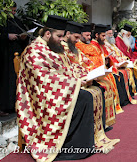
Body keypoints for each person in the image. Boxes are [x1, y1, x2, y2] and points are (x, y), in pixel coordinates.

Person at [16, 16, 119, 161]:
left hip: (59, 90)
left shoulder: (51, 48)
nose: (61, 39)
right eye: (59, 36)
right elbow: (44, 79)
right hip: (43, 98)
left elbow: (68, 68)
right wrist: (76, 83)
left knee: (96, 91)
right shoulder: (33, 51)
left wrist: (84, 76)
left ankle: (88, 142)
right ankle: (73, 147)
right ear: (47, 34)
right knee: (85, 98)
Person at [0, 2, 29, 116]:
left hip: (15, 54)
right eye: (11, 10)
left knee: (14, 81)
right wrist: (7, 36)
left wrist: (23, 37)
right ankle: (0, 107)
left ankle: (12, 106)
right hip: (2, 56)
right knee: (3, 82)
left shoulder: (17, 21)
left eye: (14, 11)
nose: (13, 13)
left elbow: (23, 35)